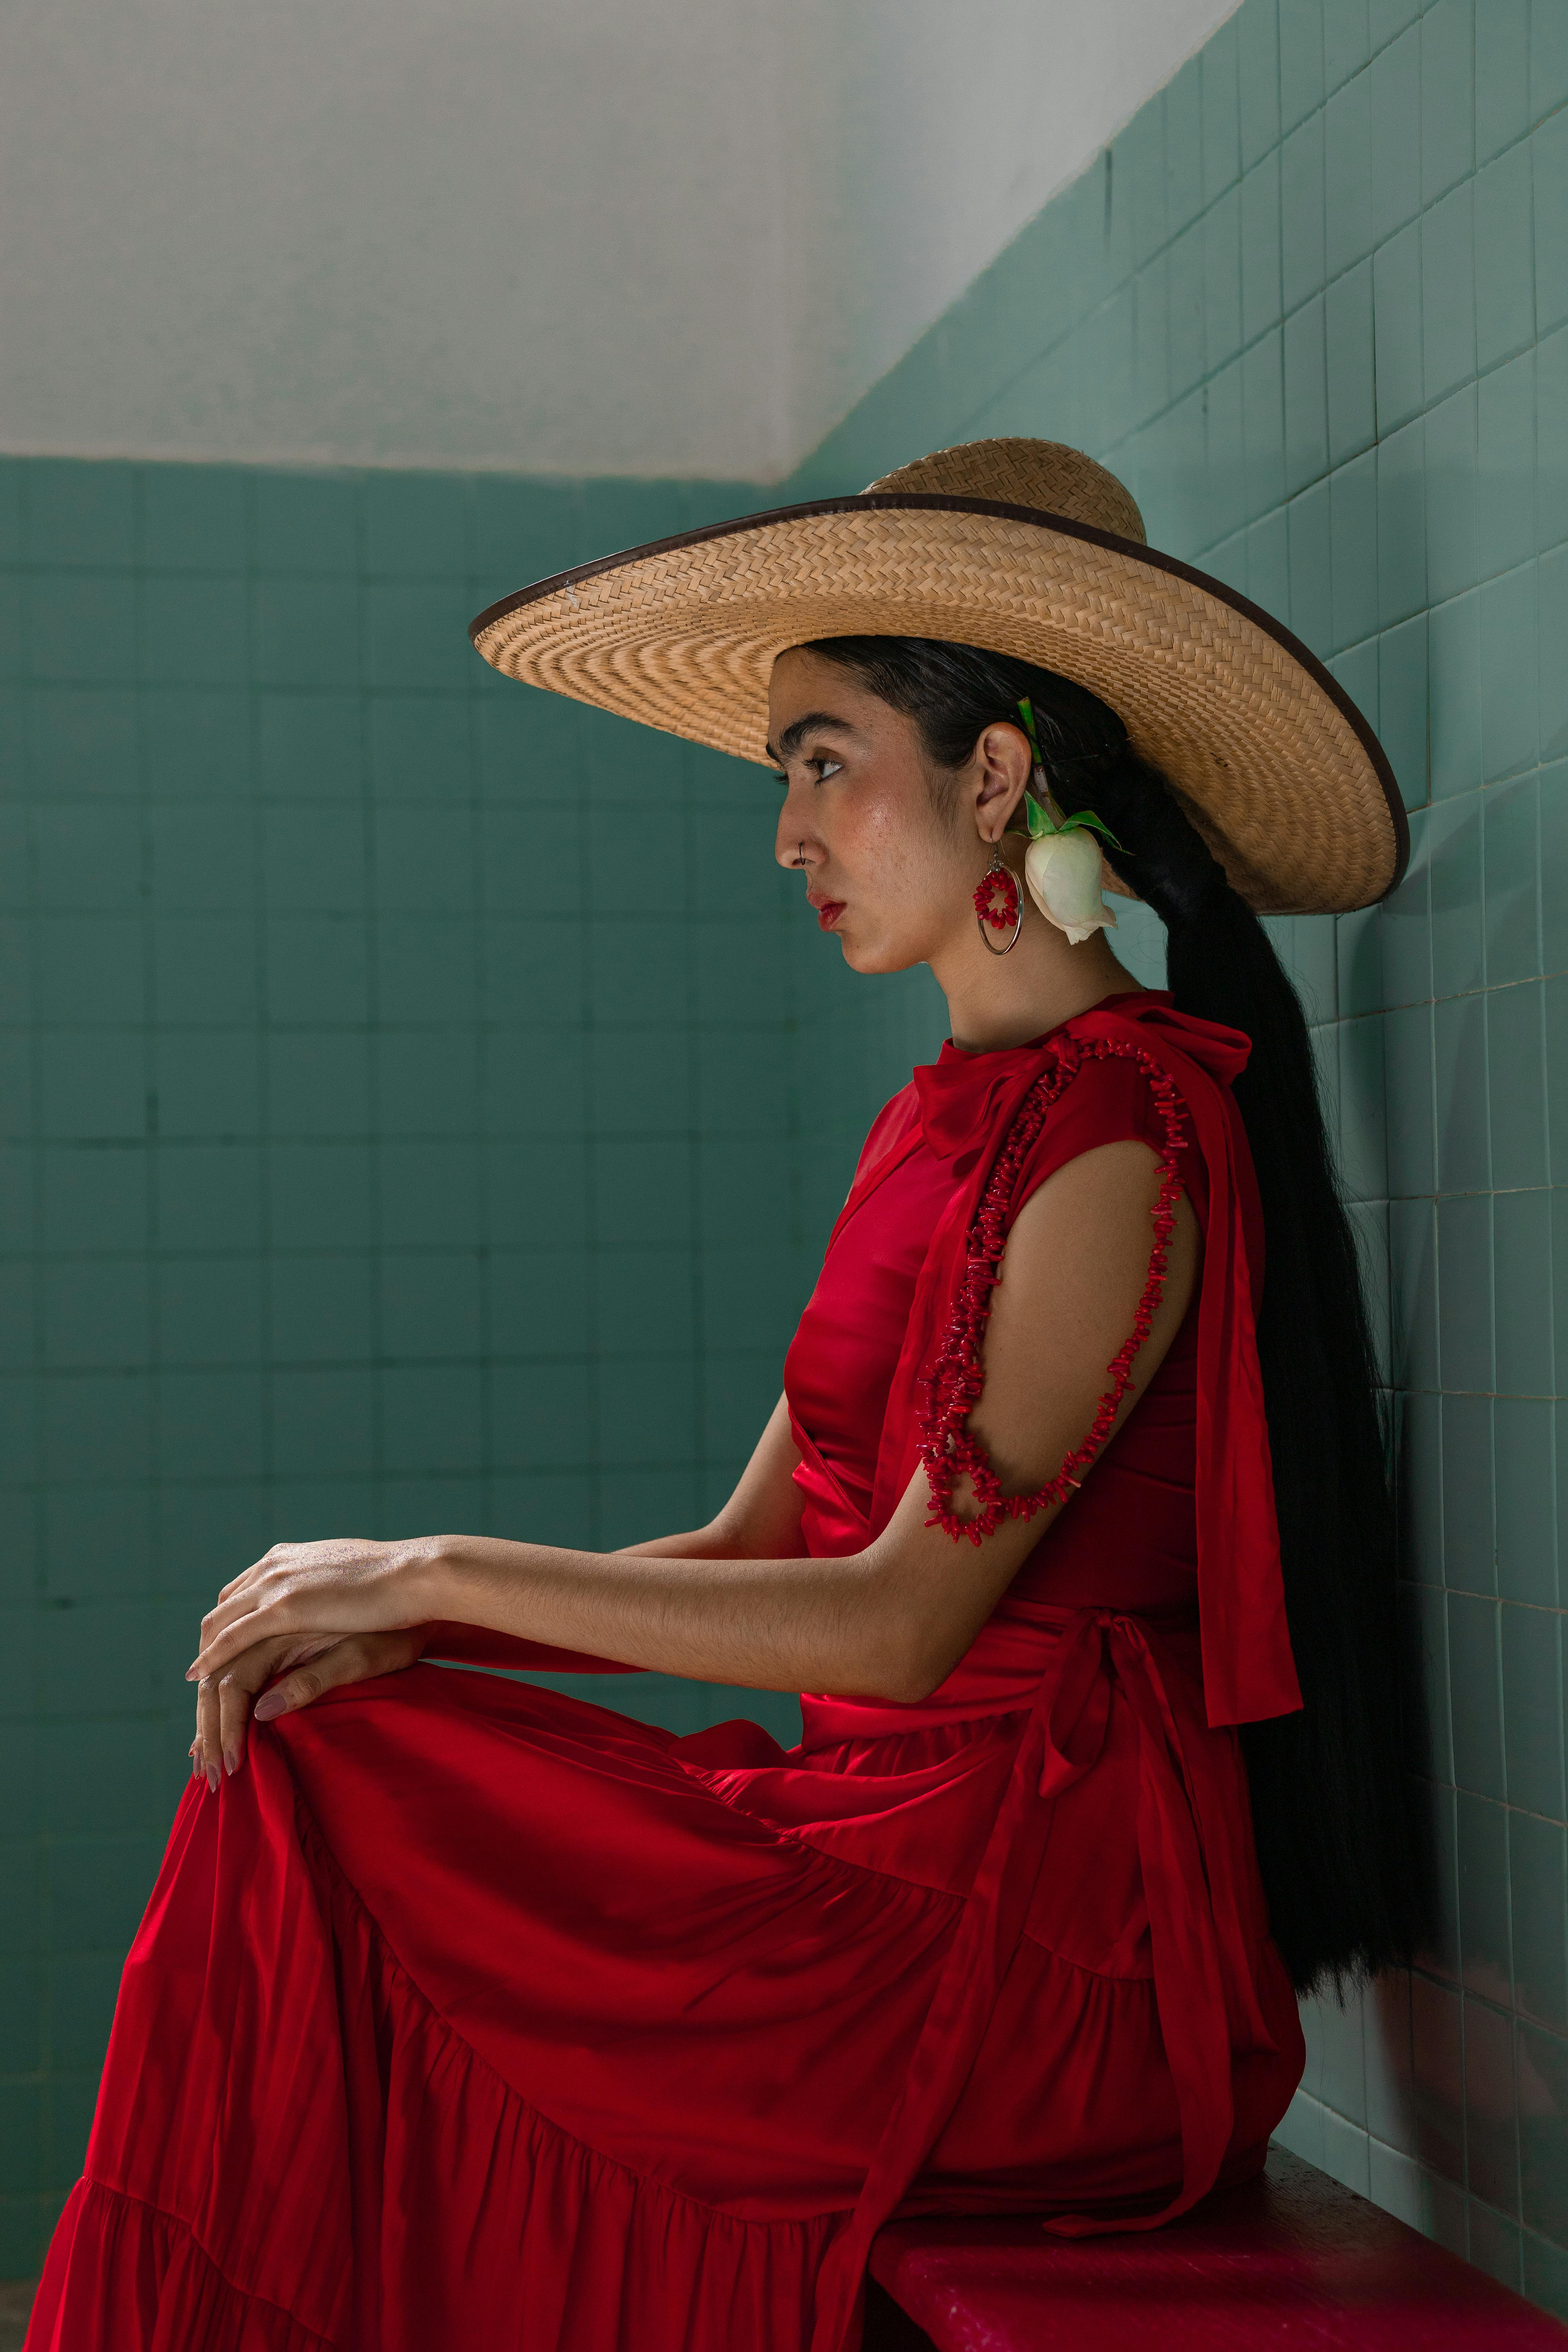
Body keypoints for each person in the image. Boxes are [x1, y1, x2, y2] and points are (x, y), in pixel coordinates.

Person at [26, 439, 1429, 2352]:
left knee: (351, 1817)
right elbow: (751, 1549)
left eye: (823, 764)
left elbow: (898, 1624)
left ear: (993, 777)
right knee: (320, 1747)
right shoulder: (939, 1121)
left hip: (1044, 1951)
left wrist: (427, 1567)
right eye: (786, 773)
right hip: (880, 1847)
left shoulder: (1122, 1136)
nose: (786, 834)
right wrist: (414, 1640)